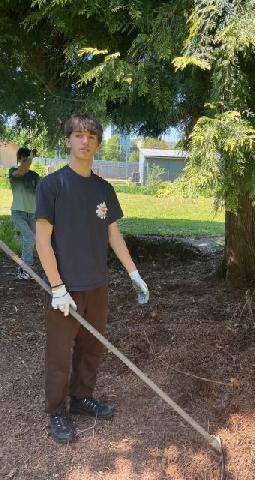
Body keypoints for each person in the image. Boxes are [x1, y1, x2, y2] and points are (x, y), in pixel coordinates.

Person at [35, 113, 149, 444]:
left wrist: (133, 273)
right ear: (68, 140)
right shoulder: (51, 186)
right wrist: (56, 287)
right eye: (79, 135)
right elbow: (43, 241)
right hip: (65, 289)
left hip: (97, 285)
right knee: (59, 353)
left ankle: (82, 397)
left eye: (91, 137)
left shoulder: (104, 189)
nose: (85, 141)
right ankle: (57, 410)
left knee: (91, 349)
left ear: (98, 144)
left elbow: (114, 236)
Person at [9, 147, 40, 279]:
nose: (27, 162)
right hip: (18, 213)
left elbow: (42, 192)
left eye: (27, 160)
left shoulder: (34, 175)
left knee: (31, 241)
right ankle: (27, 269)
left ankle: (23, 269)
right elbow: (22, 171)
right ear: (19, 160)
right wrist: (30, 157)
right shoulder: (14, 172)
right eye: (24, 159)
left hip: (33, 214)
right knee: (29, 238)